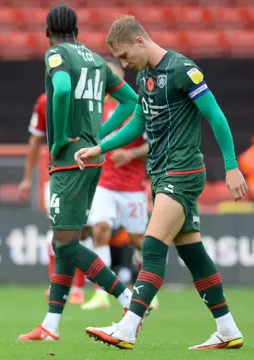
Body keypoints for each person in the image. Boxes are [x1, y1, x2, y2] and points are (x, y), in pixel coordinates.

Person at [77, 15, 247, 350]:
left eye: (125, 56)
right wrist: (101, 146)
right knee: (193, 252)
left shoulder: (183, 69)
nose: (124, 63)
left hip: (181, 173)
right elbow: (138, 121)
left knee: (153, 245)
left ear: (140, 41)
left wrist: (231, 166)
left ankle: (128, 326)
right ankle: (227, 329)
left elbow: (215, 116)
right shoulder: (145, 75)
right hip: (161, 174)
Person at [18, 6, 140, 341]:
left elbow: (59, 90)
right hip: (92, 158)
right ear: (77, 29)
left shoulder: (57, 54)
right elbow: (131, 103)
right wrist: (101, 136)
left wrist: (57, 139)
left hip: (69, 161)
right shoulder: (97, 60)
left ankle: (131, 301)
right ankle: (51, 325)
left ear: (48, 32)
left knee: (66, 245)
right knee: (65, 241)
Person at [81, 59, 153, 310]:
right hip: (104, 183)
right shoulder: (96, 111)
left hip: (132, 186)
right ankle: (101, 292)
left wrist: (131, 155)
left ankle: (146, 290)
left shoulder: (136, 107)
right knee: (99, 229)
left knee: (139, 241)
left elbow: (153, 143)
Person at [18, 92, 86, 305]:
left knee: (83, 230)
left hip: (87, 172)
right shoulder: (44, 101)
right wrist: (27, 178)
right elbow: (35, 140)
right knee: (58, 230)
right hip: (56, 174)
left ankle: (81, 287)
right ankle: (61, 284)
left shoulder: (88, 97)